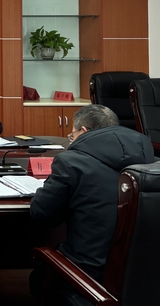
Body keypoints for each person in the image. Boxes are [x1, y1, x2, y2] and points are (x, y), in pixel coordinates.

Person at [29, 104, 154, 304]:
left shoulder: (71, 162)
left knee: (37, 279)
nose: (72, 141)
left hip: (88, 280)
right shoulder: (151, 163)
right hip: (146, 282)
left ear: (84, 131)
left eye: (72, 135)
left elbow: (42, 213)